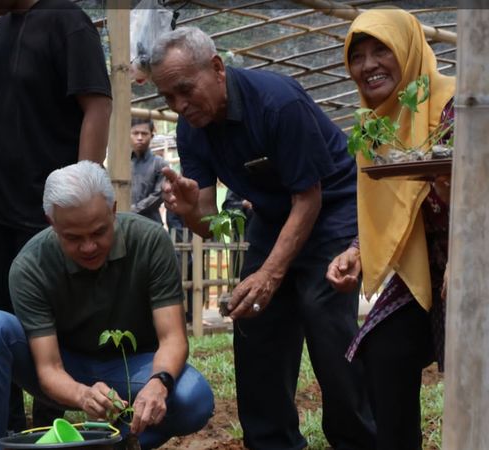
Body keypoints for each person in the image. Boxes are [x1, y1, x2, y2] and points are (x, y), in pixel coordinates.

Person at [150, 27, 376, 449]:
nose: (179, 105)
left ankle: (359, 441)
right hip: (273, 216)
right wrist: (187, 211)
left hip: (331, 207)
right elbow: (209, 224)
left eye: (184, 90)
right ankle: (271, 442)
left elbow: (308, 198)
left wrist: (270, 276)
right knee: (254, 320)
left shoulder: (277, 101)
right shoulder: (191, 127)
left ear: (216, 68)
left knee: (323, 314)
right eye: (168, 98)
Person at [0, 161, 214, 450]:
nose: (88, 247)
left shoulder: (149, 241)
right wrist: (82, 395)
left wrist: (158, 383)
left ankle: (116, 443)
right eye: (73, 238)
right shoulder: (31, 265)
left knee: (194, 398)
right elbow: (49, 369)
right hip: (64, 365)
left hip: (131, 367)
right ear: (52, 223)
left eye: (98, 232)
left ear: (113, 210)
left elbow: (173, 338)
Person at [0, 0, 112, 431]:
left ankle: (50, 426)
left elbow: (98, 105)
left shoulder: (67, 21)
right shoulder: (3, 28)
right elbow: (5, 114)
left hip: (47, 206)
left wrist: (80, 193)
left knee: (49, 315)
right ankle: (0, 427)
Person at [326, 9, 454, 449]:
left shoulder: (457, 106)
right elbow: (392, 209)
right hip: (425, 269)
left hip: (471, 260)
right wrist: (358, 251)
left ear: (409, 49)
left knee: (473, 364)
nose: (368, 65)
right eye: (356, 56)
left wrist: (470, 256)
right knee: (382, 348)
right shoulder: (372, 127)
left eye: (381, 49)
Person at [130, 118, 167, 226]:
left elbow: (158, 195)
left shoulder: (159, 163)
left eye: (144, 133)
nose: (140, 138)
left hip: (151, 224)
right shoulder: (123, 164)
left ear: (152, 136)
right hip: (126, 223)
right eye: (135, 133)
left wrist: (133, 210)